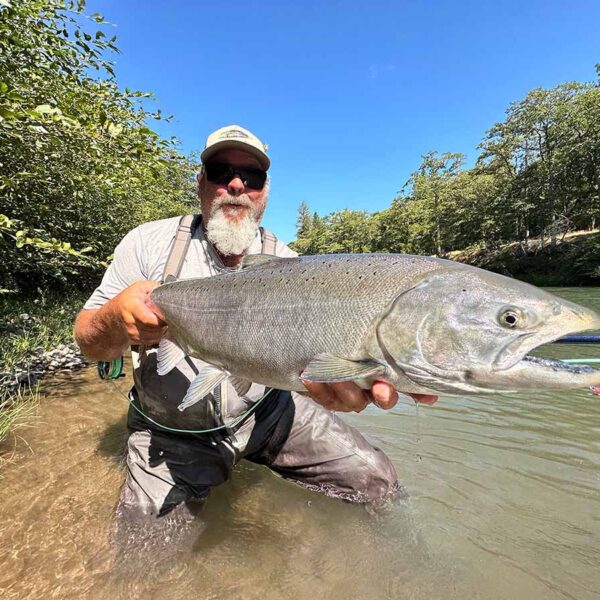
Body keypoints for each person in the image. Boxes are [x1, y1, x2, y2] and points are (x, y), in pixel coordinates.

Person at [74, 125, 434, 528]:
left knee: (378, 483)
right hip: (172, 433)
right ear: (200, 183)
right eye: (220, 170)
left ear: (264, 192)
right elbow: (91, 344)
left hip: (271, 414)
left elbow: (320, 362)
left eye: (252, 176)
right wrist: (115, 318)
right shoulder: (146, 244)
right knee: (145, 541)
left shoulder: (293, 264)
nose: (236, 184)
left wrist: (340, 384)